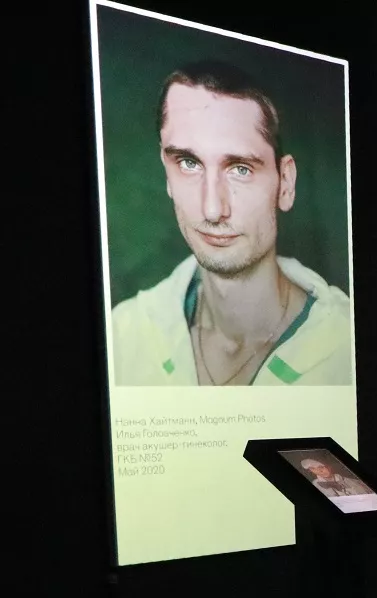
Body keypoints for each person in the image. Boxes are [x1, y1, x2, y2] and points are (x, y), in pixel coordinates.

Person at [111, 62, 352, 386]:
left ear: (285, 183)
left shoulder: (348, 350)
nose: (212, 210)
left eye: (240, 169)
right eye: (189, 163)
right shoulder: (124, 337)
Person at [300, 457, 365, 498]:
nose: (320, 471)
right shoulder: (316, 484)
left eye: (321, 467)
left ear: (328, 466)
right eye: (313, 469)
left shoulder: (349, 480)